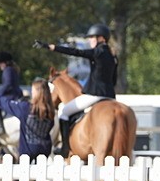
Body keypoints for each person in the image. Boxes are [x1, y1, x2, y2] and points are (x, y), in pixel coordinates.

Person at [44, 24, 118, 155]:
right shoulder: (113, 56)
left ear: (101, 38)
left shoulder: (97, 52)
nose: (90, 40)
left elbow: (76, 52)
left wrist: (53, 47)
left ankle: (65, 148)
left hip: (95, 95)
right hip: (110, 96)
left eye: (92, 38)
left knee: (64, 112)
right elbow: (114, 80)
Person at [0, 79, 54, 159]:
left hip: (28, 150)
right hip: (45, 149)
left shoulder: (26, 108)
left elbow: (7, 104)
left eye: (33, 91)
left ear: (37, 92)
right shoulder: (50, 111)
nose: (32, 93)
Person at [0, 51, 23, 136]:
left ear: (5, 63)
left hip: (11, 96)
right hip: (15, 94)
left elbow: (7, 85)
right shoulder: (12, 69)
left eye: (0, 63)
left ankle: (0, 127)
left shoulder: (8, 70)